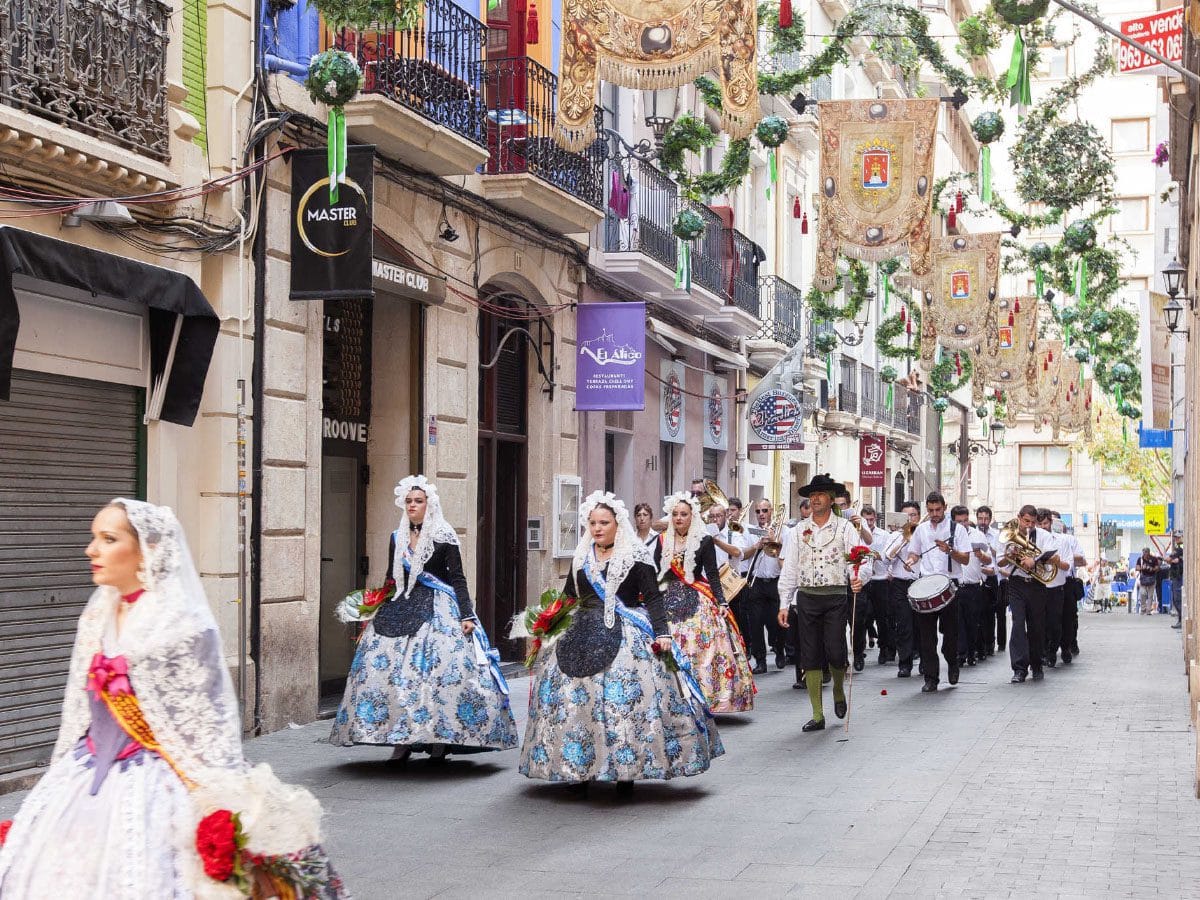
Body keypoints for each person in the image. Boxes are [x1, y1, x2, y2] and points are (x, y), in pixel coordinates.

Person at [0, 500, 344, 898]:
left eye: (108, 539)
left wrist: (225, 807)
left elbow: (208, 728)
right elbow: (78, 713)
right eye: (94, 538)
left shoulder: (184, 627)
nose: (91, 550)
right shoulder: (97, 615)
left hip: (152, 785)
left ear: (147, 549)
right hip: (83, 776)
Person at [518, 492, 723, 790]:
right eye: (592, 523)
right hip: (580, 635)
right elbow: (568, 596)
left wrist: (662, 633)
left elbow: (652, 598)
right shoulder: (581, 558)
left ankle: (625, 770)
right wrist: (546, 627)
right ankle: (579, 768)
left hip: (625, 634)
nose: (597, 528)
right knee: (578, 704)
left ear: (618, 523)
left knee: (624, 701)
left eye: (604, 522)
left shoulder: (636, 557)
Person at [330, 475, 517, 761]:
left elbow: (457, 578)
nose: (412, 506)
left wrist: (466, 614)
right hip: (401, 605)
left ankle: (439, 739)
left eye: (418, 501)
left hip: (438, 607)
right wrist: (376, 608)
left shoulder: (444, 535)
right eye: (408, 501)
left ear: (429, 504)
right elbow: (392, 578)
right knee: (392, 672)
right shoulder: (397, 537)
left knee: (438, 673)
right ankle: (400, 739)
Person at [776, 474, 864, 732]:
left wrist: (857, 579)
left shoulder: (845, 528)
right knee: (810, 655)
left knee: (836, 651)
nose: (814, 499)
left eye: (820, 494)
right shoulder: (797, 531)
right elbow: (790, 568)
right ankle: (817, 714)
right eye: (811, 495)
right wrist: (784, 602)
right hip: (807, 597)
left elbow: (857, 559)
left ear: (831, 499)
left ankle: (838, 689)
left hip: (836, 596)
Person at [654, 492, 755, 713]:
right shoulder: (662, 540)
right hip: (669, 599)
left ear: (693, 516)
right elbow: (658, 575)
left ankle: (709, 699)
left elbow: (712, 574)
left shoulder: (704, 540)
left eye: (684, 514)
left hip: (698, 599)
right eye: (675, 514)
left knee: (705, 648)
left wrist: (721, 602)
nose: (679, 518)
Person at [904, 492, 972, 692]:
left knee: (950, 635)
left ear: (944, 507)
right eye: (931, 510)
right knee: (926, 636)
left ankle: (952, 662)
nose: (934, 514)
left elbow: (966, 560)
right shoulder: (921, 530)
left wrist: (950, 551)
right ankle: (931, 678)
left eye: (938, 510)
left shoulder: (957, 530)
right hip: (926, 585)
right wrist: (910, 561)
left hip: (950, 586)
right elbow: (914, 552)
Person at [1001, 504, 1062, 683]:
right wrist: (1010, 555)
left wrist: (1033, 560)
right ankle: (1019, 669)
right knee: (1018, 624)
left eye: (1033, 522)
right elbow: (1000, 563)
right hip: (1017, 584)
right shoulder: (1009, 533)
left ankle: (1036, 666)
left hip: (1036, 585)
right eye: (1026, 521)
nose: (1029, 526)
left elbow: (1054, 558)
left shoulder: (1043, 536)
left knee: (1036, 626)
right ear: (1019, 517)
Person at [739, 499, 787, 674]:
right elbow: (743, 556)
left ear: (771, 511)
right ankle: (760, 661)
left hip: (776, 581)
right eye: (758, 511)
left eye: (765, 510)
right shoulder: (749, 532)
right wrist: (756, 546)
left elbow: (787, 554)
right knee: (756, 623)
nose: (761, 514)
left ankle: (780, 650)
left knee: (778, 622)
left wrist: (775, 540)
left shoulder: (784, 530)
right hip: (756, 581)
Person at [886, 500, 922, 678]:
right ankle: (905, 664)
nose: (910, 519)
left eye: (913, 515)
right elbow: (886, 559)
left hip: (920, 582)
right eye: (906, 516)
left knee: (922, 625)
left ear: (919, 516)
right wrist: (902, 541)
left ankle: (925, 661)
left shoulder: (923, 534)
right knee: (904, 624)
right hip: (900, 584)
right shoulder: (895, 536)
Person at [951, 505, 990, 667]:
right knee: (957, 622)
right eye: (959, 521)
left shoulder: (978, 535)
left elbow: (989, 561)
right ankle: (960, 653)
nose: (963, 524)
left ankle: (972, 651)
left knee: (973, 622)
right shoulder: (949, 535)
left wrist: (981, 555)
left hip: (973, 586)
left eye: (966, 520)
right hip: (956, 585)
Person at [857, 506, 893, 666]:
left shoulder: (884, 535)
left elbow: (889, 557)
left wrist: (878, 557)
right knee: (861, 617)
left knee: (882, 617)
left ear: (876, 519)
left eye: (871, 520)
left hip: (879, 579)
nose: (869, 523)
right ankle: (859, 650)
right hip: (863, 580)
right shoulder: (855, 533)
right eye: (866, 520)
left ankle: (884, 648)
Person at [1055, 516, 1087, 661]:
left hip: (1067, 580)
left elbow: (1082, 561)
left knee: (1069, 617)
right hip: (1048, 583)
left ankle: (1068, 645)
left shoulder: (1069, 539)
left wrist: (1067, 555)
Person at [977, 506, 1004, 656]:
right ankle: (980, 643)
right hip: (978, 575)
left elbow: (999, 555)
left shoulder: (996, 535)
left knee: (990, 612)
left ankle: (990, 642)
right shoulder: (974, 533)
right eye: (980, 518)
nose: (983, 522)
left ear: (990, 519)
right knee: (979, 612)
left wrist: (988, 548)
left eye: (986, 519)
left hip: (993, 576)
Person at [1135, 548, 1160, 615]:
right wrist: (1142, 568)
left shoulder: (1154, 559)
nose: (1145, 554)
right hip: (1143, 579)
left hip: (1152, 579)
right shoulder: (1140, 559)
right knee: (1142, 594)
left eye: (1146, 552)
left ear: (1149, 552)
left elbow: (1157, 568)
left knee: (1150, 595)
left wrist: (1152, 568)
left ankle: (1148, 610)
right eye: (1144, 552)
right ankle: (1143, 609)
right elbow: (1137, 568)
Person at [1169, 534, 1184, 628]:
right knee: (1176, 600)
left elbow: (1169, 559)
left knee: (1177, 599)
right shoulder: (1179, 547)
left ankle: (1181, 621)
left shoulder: (1179, 548)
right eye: (1175, 537)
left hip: (1179, 576)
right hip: (1177, 575)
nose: (1176, 539)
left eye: (1178, 537)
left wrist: (1170, 560)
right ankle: (1180, 620)